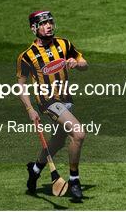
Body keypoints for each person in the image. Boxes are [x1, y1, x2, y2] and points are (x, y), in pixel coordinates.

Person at [16, 11, 88, 198]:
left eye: (50, 22)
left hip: (66, 99)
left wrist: (76, 63)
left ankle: (35, 168)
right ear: (34, 28)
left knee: (58, 141)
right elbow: (20, 86)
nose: (48, 26)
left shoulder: (64, 44)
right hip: (48, 102)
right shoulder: (27, 56)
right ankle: (74, 180)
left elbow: (84, 63)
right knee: (78, 133)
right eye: (43, 23)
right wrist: (30, 109)